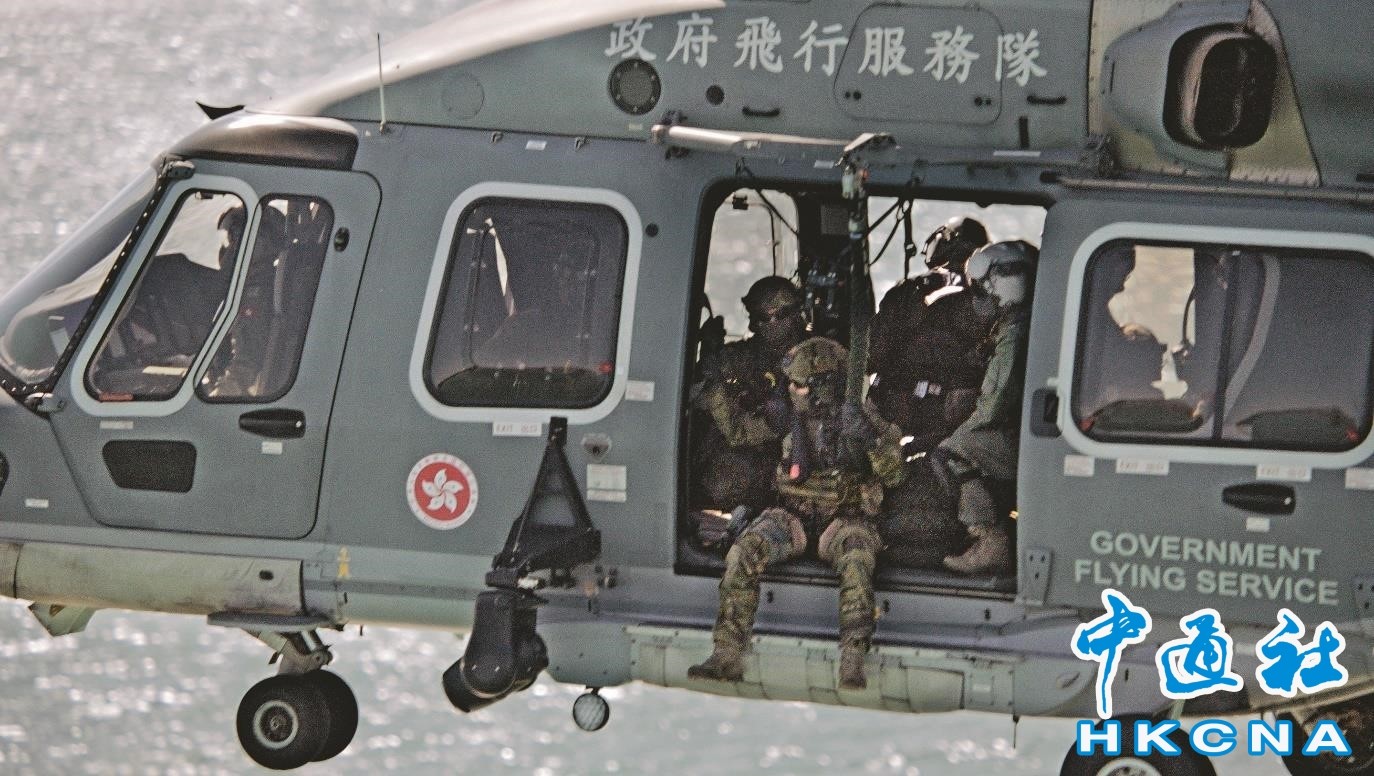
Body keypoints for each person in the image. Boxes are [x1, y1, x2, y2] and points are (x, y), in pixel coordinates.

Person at [689, 337, 905, 690]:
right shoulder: (789, 415)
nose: (791, 390)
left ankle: (852, 656)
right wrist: (713, 393)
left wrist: (870, 440)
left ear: (824, 386)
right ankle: (727, 653)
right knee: (743, 551)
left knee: (857, 560)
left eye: (799, 385)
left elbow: (895, 476)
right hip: (792, 517)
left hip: (844, 519)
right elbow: (741, 432)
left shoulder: (862, 417)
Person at [937, 240, 1037, 576]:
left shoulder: (1014, 335)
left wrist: (957, 432)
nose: (978, 300)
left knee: (953, 450)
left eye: (981, 291)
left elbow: (994, 405)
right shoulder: (1027, 323)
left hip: (1024, 443)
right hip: (1029, 433)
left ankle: (989, 538)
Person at [869, 217, 991, 448]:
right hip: (955, 422)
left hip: (894, 411)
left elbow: (873, 352)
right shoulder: (991, 299)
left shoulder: (910, 290)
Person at [689, 276, 807, 511]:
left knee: (724, 481)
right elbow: (696, 394)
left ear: (790, 316)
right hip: (757, 450)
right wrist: (709, 354)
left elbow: (744, 433)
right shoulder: (749, 354)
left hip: (785, 458)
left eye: (763, 318)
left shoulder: (811, 359)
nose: (754, 326)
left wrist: (716, 389)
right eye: (755, 317)